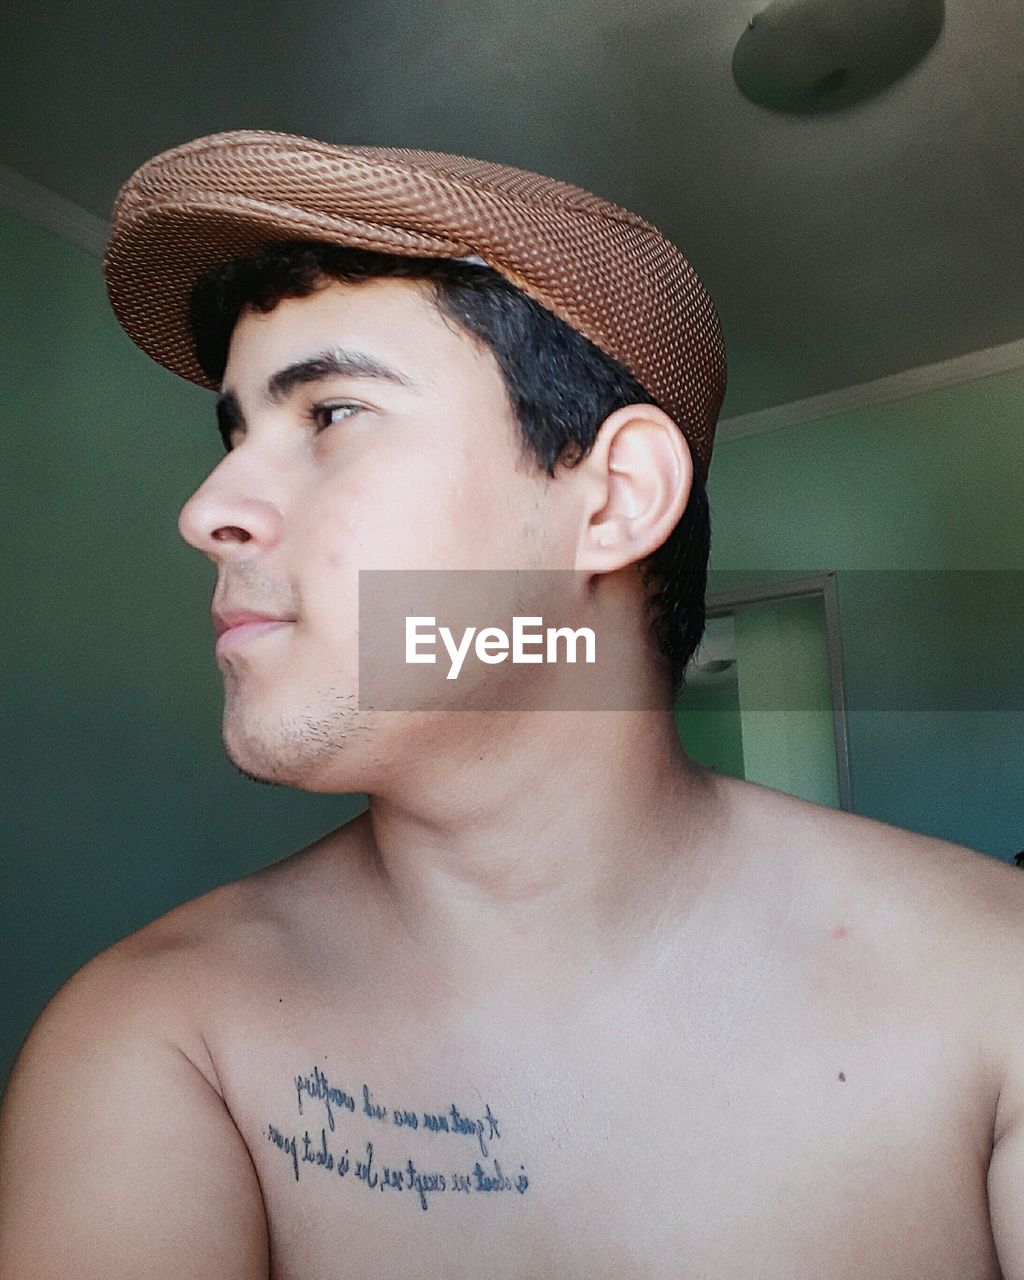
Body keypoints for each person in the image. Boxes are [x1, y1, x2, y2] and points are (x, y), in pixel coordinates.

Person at [1, 129, 1022, 1280]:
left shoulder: (997, 986)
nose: (208, 508)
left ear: (615, 499)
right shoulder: (160, 1043)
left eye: (330, 413)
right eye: (236, 431)